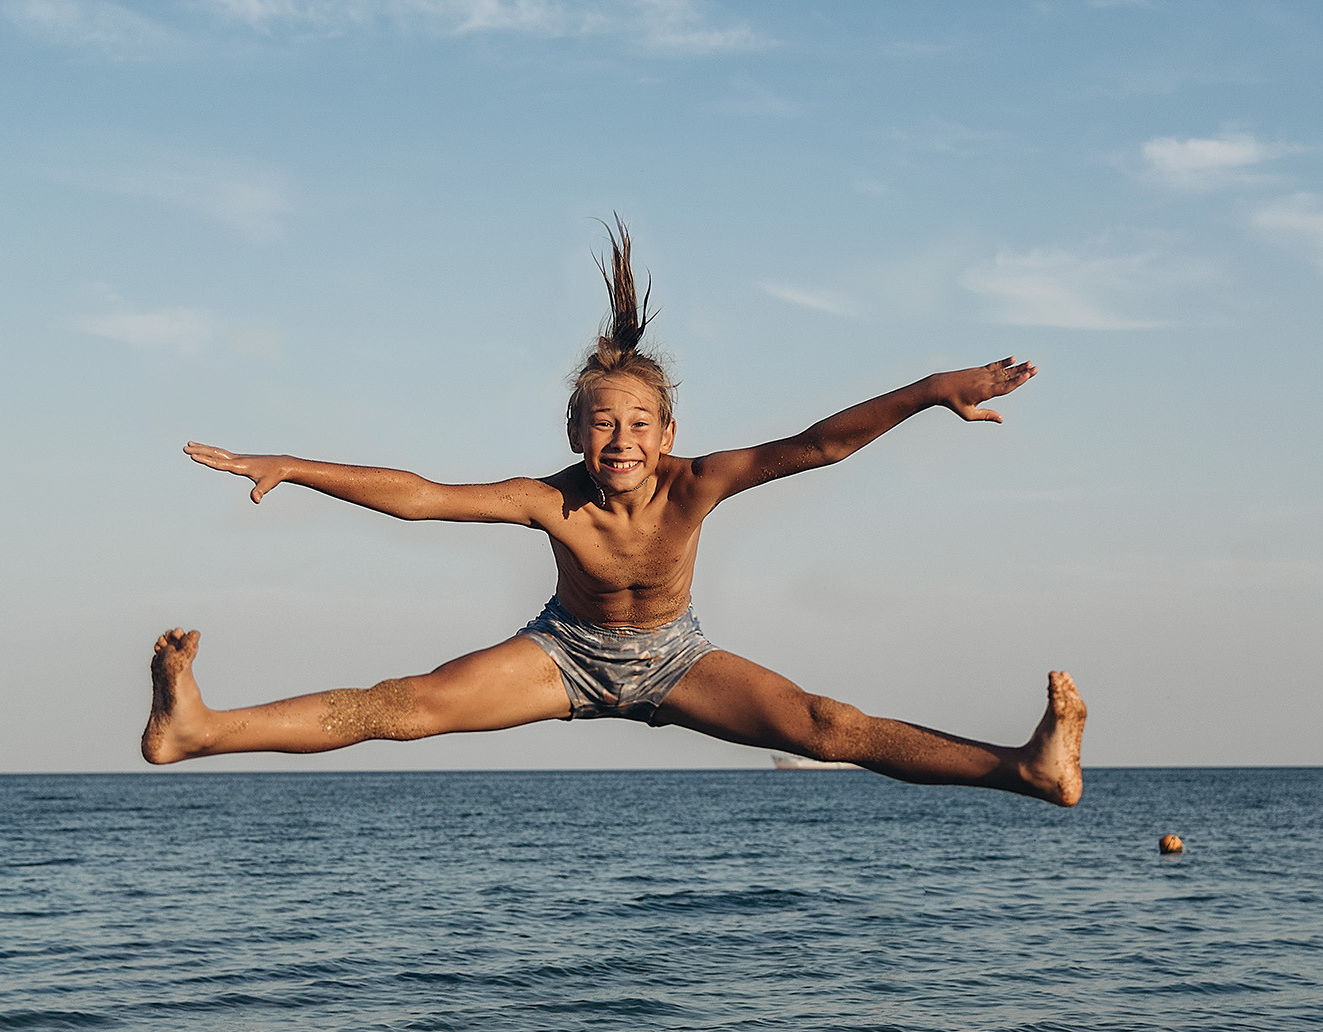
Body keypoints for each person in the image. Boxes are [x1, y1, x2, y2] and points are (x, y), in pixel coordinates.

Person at [143, 224, 1085, 804]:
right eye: (603, 424)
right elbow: (422, 497)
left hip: (676, 658)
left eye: (640, 423)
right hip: (564, 655)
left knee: (828, 726)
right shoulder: (552, 499)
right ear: (575, 430)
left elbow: (819, 445)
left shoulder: (697, 481)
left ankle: (1027, 769)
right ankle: (197, 729)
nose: (622, 441)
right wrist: (295, 466)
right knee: (401, 707)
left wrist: (929, 390)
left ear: (668, 427)